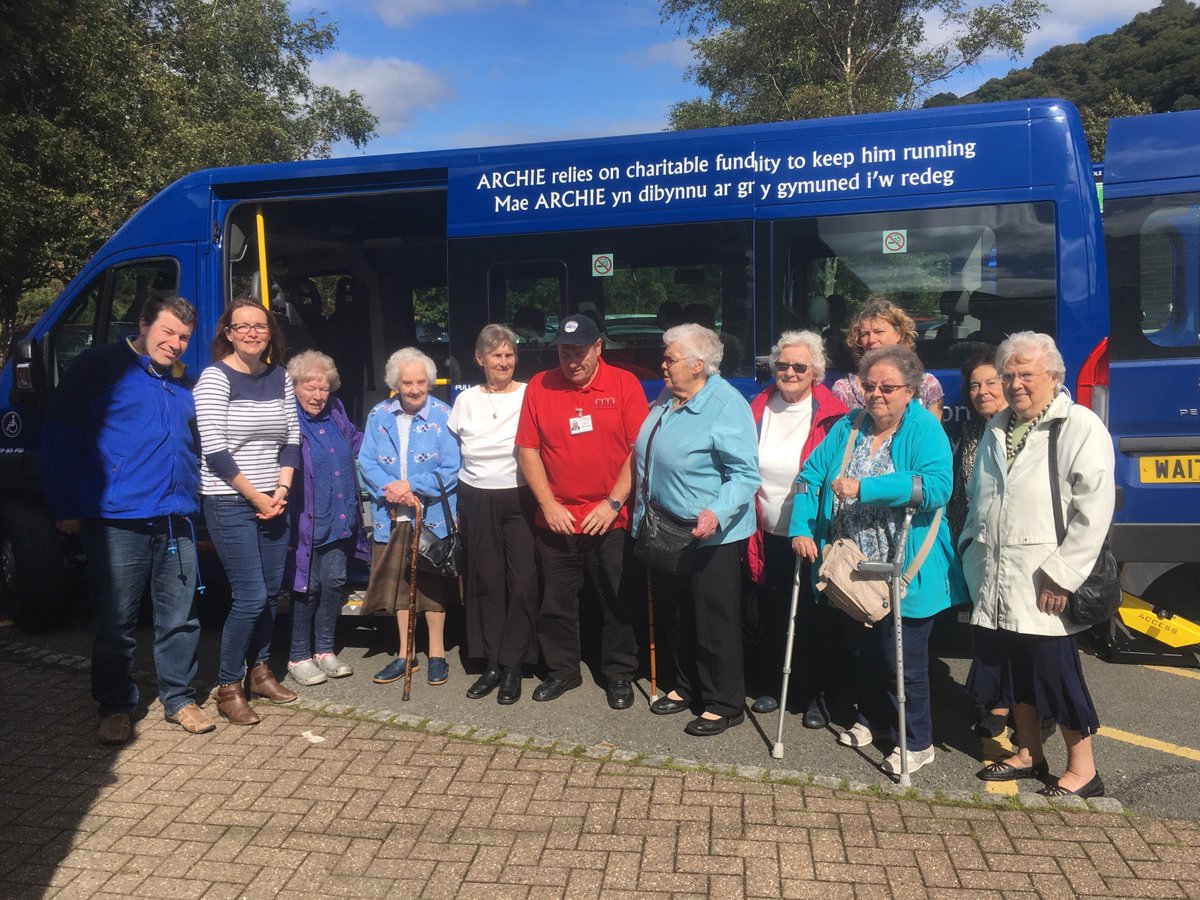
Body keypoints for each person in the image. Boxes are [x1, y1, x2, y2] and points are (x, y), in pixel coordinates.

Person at [42, 295, 213, 744]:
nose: (175, 344)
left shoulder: (181, 382)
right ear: (143, 324)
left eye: (183, 338)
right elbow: (60, 437)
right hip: (117, 516)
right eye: (167, 332)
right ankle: (116, 706)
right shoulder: (99, 366)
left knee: (181, 617)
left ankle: (179, 700)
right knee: (116, 621)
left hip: (175, 516)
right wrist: (65, 507)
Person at [791, 345, 963, 775]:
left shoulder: (924, 429)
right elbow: (809, 477)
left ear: (911, 391)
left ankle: (917, 741)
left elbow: (937, 488)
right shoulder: (850, 426)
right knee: (864, 652)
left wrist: (865, 489)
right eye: (869, 386)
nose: (877, 395)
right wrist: (799, 527)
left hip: (905, 567)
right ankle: (873, 721)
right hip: (852, 566)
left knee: (901, 660)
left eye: (888, 388)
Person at [963, 332, 1114, 798]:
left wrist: (1064, 574)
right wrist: (971, 547)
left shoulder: (1079, 426)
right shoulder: (998, 427)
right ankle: (1029, 753)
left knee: (1056, 674)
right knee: (1014, 672)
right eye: (1008, 374)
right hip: (997, 575)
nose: (1015, 383)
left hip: (1045, 576)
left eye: (1026, 373)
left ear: (1053, 376)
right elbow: (980, 498)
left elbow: (1094, 509)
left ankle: (1084, 770)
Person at [515, 313, 648, 708]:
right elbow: (528, 450)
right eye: (563, 352)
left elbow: (636, 451)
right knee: (557, 599)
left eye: (578, 353)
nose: (571, 362)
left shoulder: (624, 384)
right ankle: (563, 671)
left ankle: (619, 673)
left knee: (615, 597)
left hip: (609, 516)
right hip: (558, 518)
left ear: (598, 348)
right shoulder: (540, 385)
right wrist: (547, 504)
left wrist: (612, 504)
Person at [636, 324, 760, 736]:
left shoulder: (726, 405)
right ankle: (686, 686)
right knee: (677, 613)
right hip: (665, 528)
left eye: (670, 359)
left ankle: (725, 702)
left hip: (709, 534)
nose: (663, 365)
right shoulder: (668, 396)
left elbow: (745, 475)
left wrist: (715, 512)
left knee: (713, 619)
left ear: (698, 365)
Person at [195, 297, 300, 724]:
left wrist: (281, 489)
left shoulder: (280, 377)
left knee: (272, 592)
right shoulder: (214, 379)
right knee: (250, 595)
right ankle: (227, 686)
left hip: (274, 499)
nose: (254, 332)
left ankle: (259, 672)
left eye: (261, 326)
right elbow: (214, 450)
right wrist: (256, 496)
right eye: (244, 326)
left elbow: (291, 438)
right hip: (229, 500)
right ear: (229, 333)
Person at [744, 330, 846, 722]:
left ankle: (816, 695)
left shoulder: (832, 414)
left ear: (815, 372)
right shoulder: (758, 405)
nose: (788, 372)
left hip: (813, 529)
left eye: (799, 366)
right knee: (770, 609)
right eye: (782, 365)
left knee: (814, 614)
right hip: (764, 528)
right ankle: (772, 685)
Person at [359, 347, 460, 687]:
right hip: (391, 514)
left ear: (429, 382)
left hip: (430, 516)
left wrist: (410, 486)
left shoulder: (444, 415)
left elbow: (451, 469)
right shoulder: (379, 415)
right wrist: (392, 488)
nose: (415, 389)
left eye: (421, 382)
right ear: (395, 384)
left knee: (431, 586)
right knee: (400, 587)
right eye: (407, 383)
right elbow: (366, 461)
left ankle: (437, 654)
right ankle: (404, 654)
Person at [448, 325, 538, 704]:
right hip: (476, 497)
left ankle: (514, 663)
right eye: (496, 355)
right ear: (480, 359)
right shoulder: (464, 401)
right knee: (485, 581)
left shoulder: (531, 394)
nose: (504, 362)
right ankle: (490, 663)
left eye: (509, 355)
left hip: (521, 495)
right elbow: (453, 449)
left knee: (522, 582)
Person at [282, 350, 368, 686]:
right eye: (310, 388)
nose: (318, 395)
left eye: (324, 388)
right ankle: (298, 655)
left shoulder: (336, 410)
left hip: (340, 517)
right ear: (295, 387)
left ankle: (324, 650)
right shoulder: (289, 417)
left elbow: (358, 443)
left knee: (333, 583)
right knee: (307, 587)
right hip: (307, 519)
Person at [946, 345, 1012, 739]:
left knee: (1015, 628)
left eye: (991, 382)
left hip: (1011, 546)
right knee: (983, 624)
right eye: (974, 385)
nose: (982, 391)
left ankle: (1017, 703)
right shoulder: (973, 429)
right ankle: (995, 699)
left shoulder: (1019, 427)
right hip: (976, 545)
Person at [832, 299, 943, 420]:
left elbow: (935, 435)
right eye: (865, 334)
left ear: (898, 334)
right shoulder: (844, 390)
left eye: (879, 331)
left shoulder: (927, 385)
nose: (871, 340)